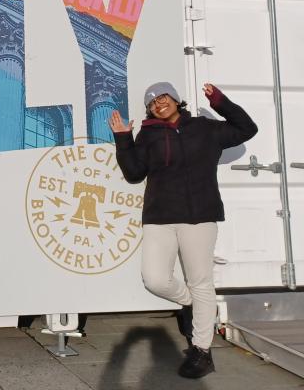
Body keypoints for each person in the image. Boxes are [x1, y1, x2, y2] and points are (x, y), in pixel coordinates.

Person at [109, 81, 258, 379]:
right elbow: (134, 175)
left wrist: (219, 101)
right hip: (159, 218)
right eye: (152, 102)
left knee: (201, 281)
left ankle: (202, 351)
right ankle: (190, 301)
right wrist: (123, 139)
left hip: (199, 217)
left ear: (176, 99)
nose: (158, 103)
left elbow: (247, 128)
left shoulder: (205, 128)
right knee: (155, 279)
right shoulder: (148, 134)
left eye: (162, 97)